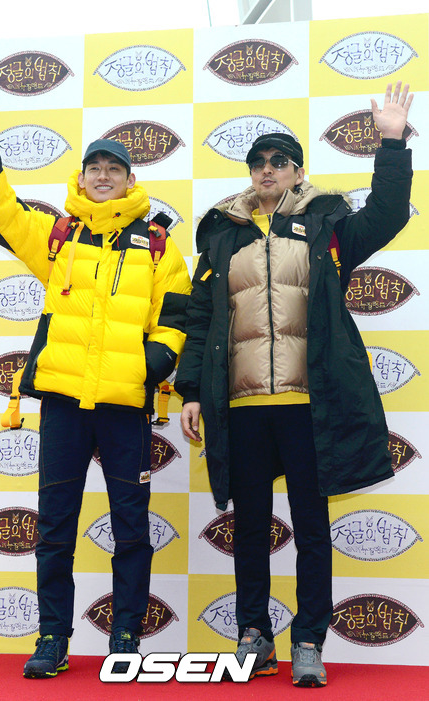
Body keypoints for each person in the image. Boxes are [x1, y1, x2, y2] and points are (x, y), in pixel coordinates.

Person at [0, 73, 191, 679]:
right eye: (95, 168)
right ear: (81, 178)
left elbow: (177, 320)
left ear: (131, 180)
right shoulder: (58, 238)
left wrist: (146, 368)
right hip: (62, 404)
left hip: (125, 407)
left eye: (115, 169)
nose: (103, 176)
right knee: (55, 529)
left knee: (131, 530)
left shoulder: (159, 247)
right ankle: (53, 637)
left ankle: (126, 637)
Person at [175, 82, 413, 688]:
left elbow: (387, 213)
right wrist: (191, 390)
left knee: (309, 526)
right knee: (251, 527)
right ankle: (253, 635)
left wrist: (391, 142)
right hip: (244, 406)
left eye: (279, 161)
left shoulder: (328, 223)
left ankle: (308, 639)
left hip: (311, 405)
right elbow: (200, 319)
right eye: (257, 162)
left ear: (298, 171)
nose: (267, 170)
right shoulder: (221, 232)